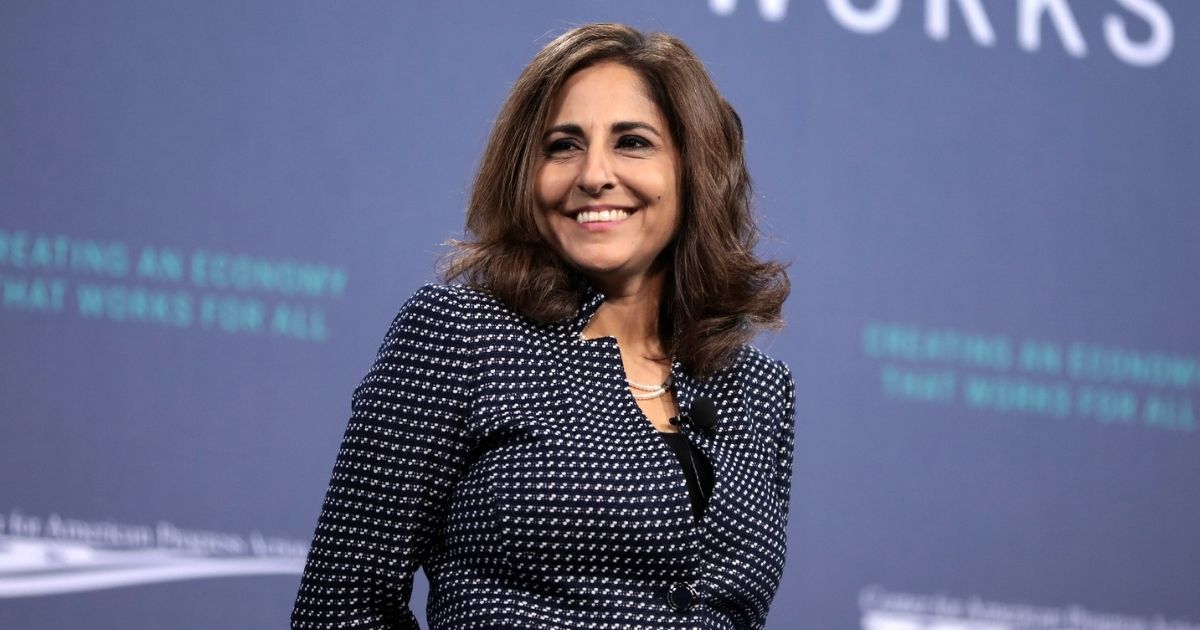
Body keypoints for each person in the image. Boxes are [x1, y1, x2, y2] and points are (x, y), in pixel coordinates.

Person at [292, 23, 795, 629]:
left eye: (632, 142)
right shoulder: (459, 335)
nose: (593, 175)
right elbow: (341, 609)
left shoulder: (757, 389)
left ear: (696, 170)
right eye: (563, 146)